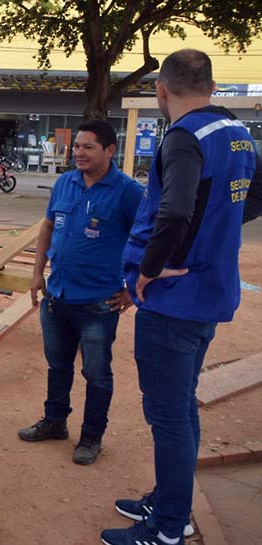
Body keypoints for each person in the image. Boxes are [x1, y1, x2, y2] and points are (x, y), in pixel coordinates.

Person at [101, 49, 262, 545]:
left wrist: (151, 270)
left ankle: (169, 528)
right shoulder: (238, 132)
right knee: (182, 407)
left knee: (168, 416)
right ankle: (170, 501)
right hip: (208, 293)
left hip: (173, 300)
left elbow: (173, 213)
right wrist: (213, 235)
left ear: (161, 90)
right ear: (212, 86)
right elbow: (252, 198)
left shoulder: (183, 137)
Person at [19, 120, 144, 465]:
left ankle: (91, 436)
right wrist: (36, 273)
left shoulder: (127, 191)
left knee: (96, 373)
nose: (79, 153)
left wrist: (132, 289)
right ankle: (55, 422)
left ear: (108, 151)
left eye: (88, 147)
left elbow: (149, 238)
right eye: (77, 146)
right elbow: (47, 227)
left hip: (98, 304)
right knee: (58, 366)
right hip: (56, 298)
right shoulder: (65, 183)